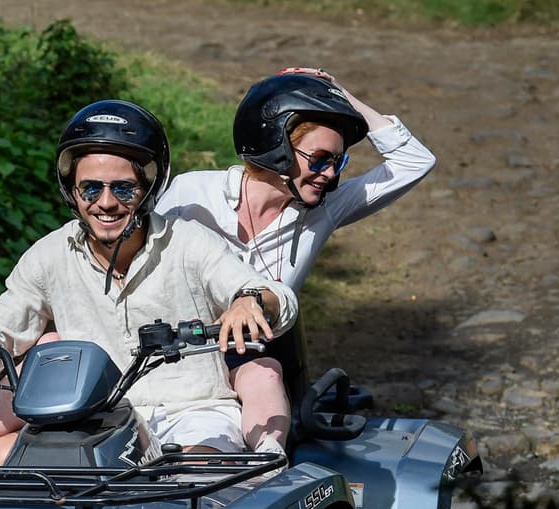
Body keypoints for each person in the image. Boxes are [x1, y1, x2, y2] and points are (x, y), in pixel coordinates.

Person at [0, 99, 299, 465]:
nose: (105, 202)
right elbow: (0, 337)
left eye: (123, 189)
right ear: (71, 190)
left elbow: (271, 296)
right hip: (92, 419)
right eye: (90, 189)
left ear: (148, 188)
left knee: (190, 474)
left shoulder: (190, 241)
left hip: (194, 413)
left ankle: (261, 463)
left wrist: (249, 299)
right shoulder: (49, 254)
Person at [155, 68, 436, 456]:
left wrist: (338, 94)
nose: (330, 175)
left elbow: (414, 161)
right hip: (173, 354)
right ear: (276, 146)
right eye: (320, 159)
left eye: (339, 162)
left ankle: (266, 470)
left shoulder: (324, 210)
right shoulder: (191, 195)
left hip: (250, 366)